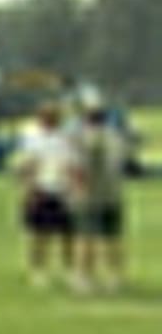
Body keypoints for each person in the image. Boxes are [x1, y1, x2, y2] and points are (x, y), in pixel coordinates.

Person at [13, 102, 78, 290]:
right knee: (38, 235)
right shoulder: (31, 136)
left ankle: (70, 270)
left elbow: (71, 164)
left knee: (68, 235)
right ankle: (38, 271)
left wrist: (73, 188)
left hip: (63, 190)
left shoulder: (66, 137)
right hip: (40, 189)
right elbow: (26, 165)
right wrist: (28, 189)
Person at [69, 104, 132, 293]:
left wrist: (76, 192)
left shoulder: (82, 139)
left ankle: (83, 278)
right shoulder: (116, 137)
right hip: (113, 194)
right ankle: (114, 278)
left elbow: (79, 168)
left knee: (85, 239)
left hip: (89, 195)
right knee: (113, 239)